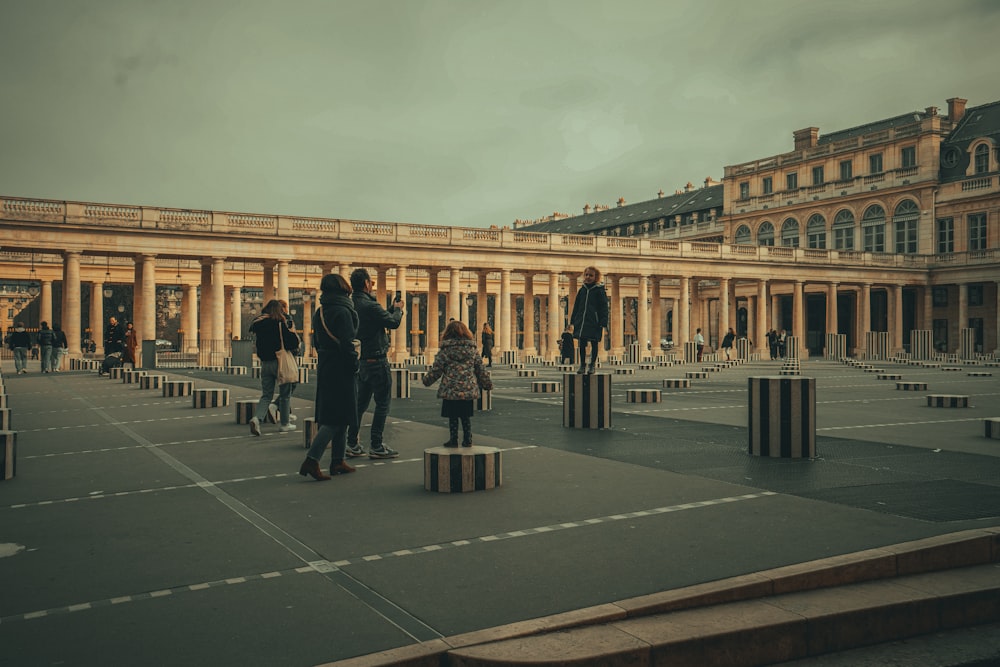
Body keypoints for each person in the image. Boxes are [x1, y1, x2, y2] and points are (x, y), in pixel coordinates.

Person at [299, 274, 360, 481]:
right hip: (341, 366)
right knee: (335, 419)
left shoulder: (320, 311)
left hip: (326, 365)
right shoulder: (343, 311)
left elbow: (316, 340)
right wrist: (354, 364)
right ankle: (312, 459)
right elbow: (347, 343)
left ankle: (337, 461)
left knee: (341, 416)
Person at [347, 268, 404, 459]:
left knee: (359, 405)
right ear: (365, 284)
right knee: (382, 404)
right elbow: (393, 323)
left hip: (361, 361)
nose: (372, 285)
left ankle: (352, 443)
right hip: (377, 360)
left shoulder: (351, 303)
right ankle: (377, 445)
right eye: (371, 282)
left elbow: (377, 321)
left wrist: (388, 310)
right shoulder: (370, 306)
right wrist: (398, 309)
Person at [422, 320, 493, 447]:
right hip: (467, 388)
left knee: (452, 416)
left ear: (447, 333)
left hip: (451, 388)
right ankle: (468, 438)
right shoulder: (472, 350)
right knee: (466, 416)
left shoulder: (446, 351)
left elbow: (437, 369)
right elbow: (480, 369)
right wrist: (487, 384)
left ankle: (453, 439)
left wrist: (427, 380)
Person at [248, 299, 300, 436]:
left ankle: (256, 418)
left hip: (265, 363)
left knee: (266, 395)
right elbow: (292, 343)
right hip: (280, 362)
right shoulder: (279, 324)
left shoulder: (259, 324)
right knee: (285, 395)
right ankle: (284, 424)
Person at [568, 265, 609, 374]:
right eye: (586, 275)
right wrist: (572, 321)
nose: (588, 277)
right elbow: (576, 306)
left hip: (594, 321)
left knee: (594, 344)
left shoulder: (599, 290)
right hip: (582, 321)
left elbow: (604, 307)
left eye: (591, 275)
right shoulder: (582, 290)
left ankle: (592, 365)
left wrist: (603, 321)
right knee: (581, 344)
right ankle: (582, 364)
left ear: (596, 277)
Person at [269, 300, 298, 424]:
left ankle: (286, 412)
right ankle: (276, 407)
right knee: (290, 383)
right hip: (287, 354)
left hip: (273, 355)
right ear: (284, 308)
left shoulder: (270, 320)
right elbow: (292, 338)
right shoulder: (286, 319)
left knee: (286, 385)